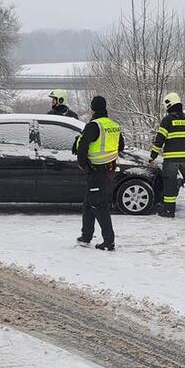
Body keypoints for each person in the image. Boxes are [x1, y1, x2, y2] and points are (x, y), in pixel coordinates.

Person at [76, 95, 124, 251]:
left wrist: (84, 166)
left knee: (99, 205)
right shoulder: (114, 125)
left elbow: (82, 148)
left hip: (96, 171)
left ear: (92, 109)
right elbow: (121, 146)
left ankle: (109, 241)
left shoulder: (93, 126)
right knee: (89, 202)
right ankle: (86, 235)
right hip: (109, 169)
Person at [148, 92, 185, 219]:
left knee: (170, 185)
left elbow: (159, 140)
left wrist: (152, 157)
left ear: (169, 105)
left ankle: (169, 211)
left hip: (171, 159)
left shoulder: (167, 120)